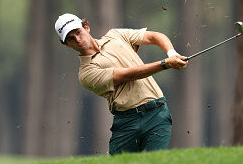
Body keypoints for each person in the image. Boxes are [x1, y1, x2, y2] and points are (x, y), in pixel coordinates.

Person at [54, 13, 188, 155]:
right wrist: (165, 64)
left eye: (78, 32)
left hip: (156, 113)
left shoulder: (115, 35)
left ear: (86, 27)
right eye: (71, 39)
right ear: (67, 44)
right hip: (126, 122)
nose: (78, 39)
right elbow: (129, 75)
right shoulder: (86, 73)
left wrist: (171, 53)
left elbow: (154, 36)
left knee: (156, 161)